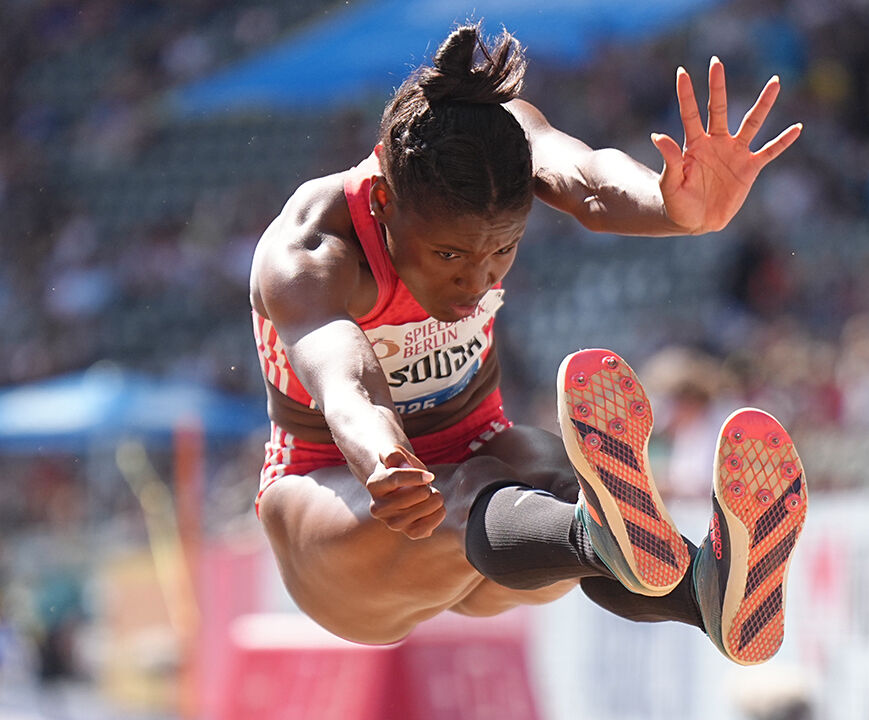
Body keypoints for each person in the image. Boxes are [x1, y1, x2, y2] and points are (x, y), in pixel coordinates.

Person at [249, 24, 808, 666]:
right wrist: (384, 459)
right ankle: (602, 539)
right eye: (449, 255)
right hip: (347, 511)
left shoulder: (503, 145)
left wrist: (671, 206)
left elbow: (590, 181)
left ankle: (704, 594)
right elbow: (350, 387)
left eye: (502, 250)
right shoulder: (311, 248)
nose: (475, 281)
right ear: (382, 201)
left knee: (566, 479)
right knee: (476, 483)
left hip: (505, 529)